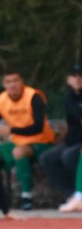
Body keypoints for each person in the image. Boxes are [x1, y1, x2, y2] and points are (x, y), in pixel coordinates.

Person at [0, 72, 56, 211]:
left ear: (22, 82)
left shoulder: (34, 97)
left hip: (41, 142)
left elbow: (38, 127)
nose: (12, 85)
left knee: (19, 152)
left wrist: (11, 131)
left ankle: (26, 196)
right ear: (4, 84)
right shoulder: (2, 99)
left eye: (15, 81)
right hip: (18, 142)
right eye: (8, 82)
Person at [39, 63, 82, 212]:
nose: (77, 79)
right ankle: (71, 196)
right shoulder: (69, 99)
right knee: (47, 158)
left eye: (80, 76)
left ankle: (79, 194)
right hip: (73, 141)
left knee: (69, 156)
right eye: (74, 76)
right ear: (68, 79)